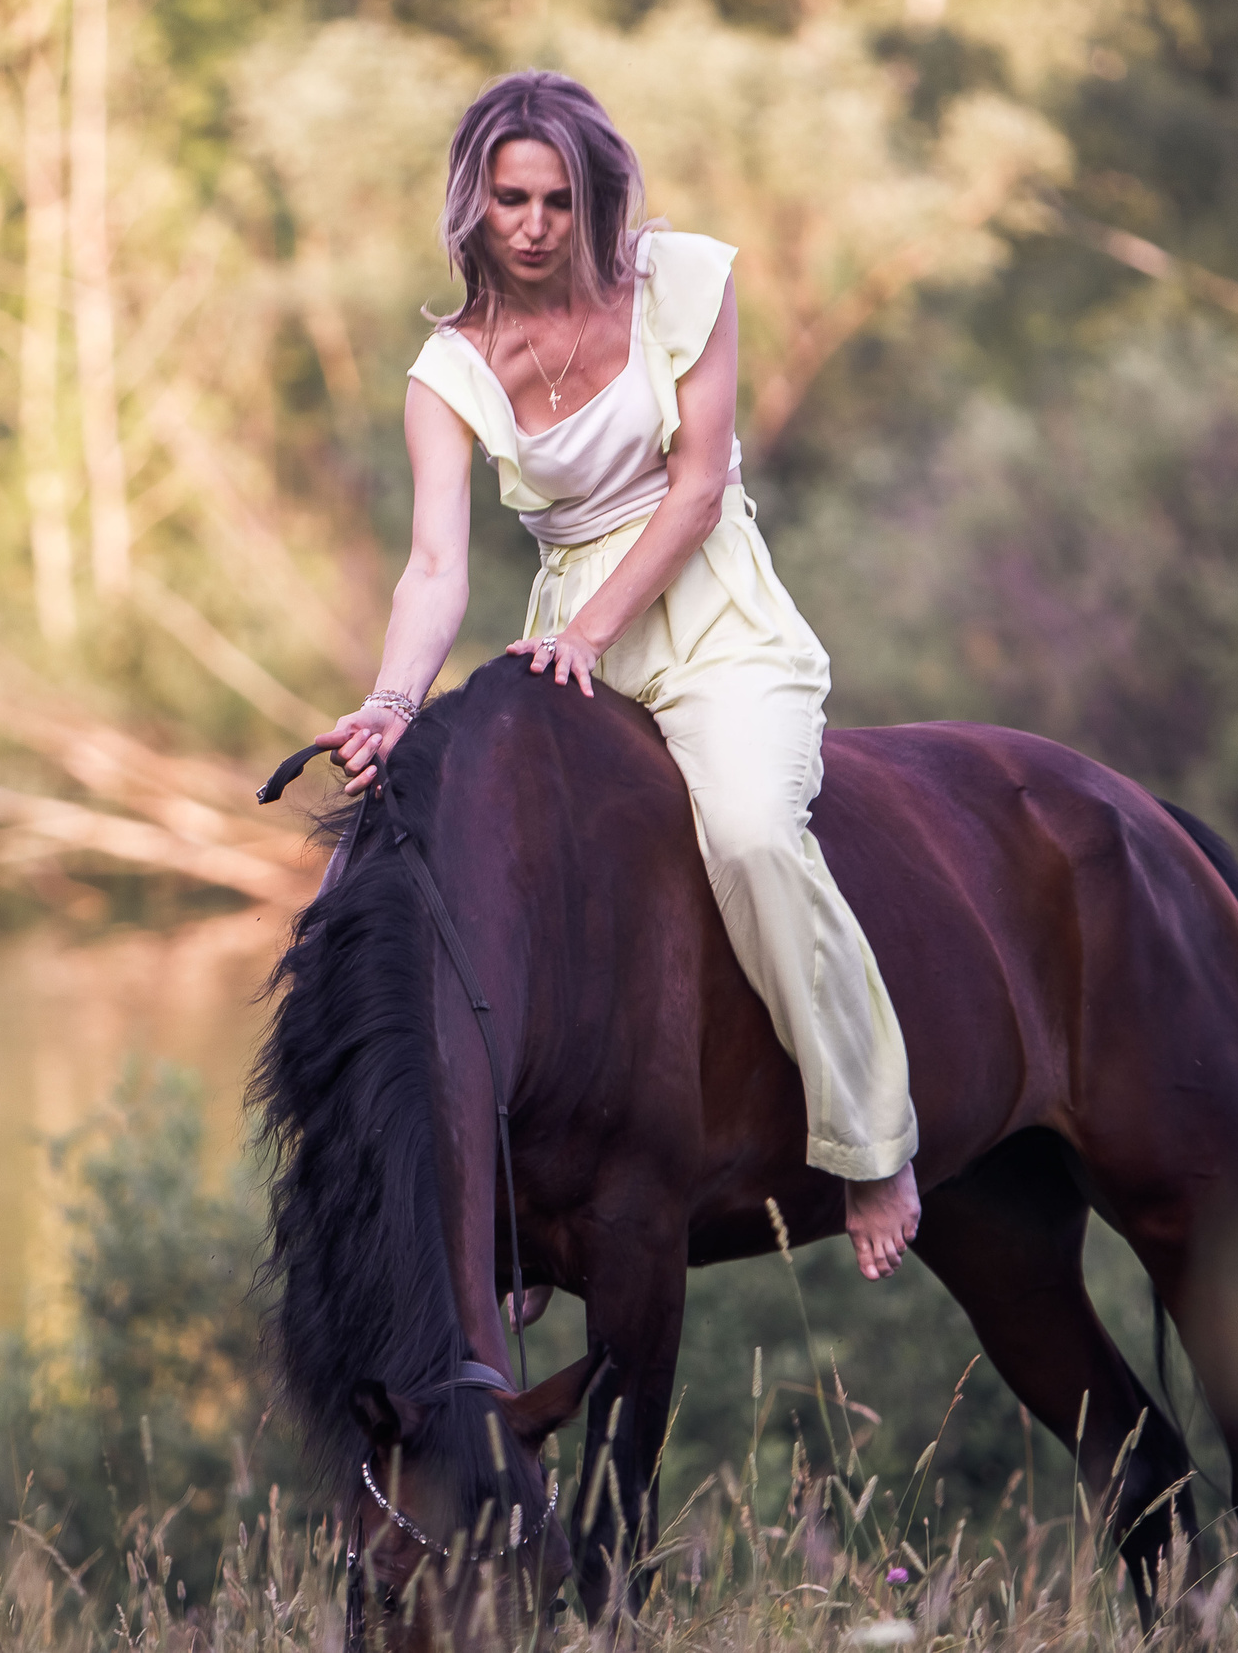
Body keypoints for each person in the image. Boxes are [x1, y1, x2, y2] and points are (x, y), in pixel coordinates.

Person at [313, 71, 922, 1281]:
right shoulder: (450, 370)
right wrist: (389, 702)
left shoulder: (685, 280)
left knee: (749, 832)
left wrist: (593, 630)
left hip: (706, 613)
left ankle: (871, 1139)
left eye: (555, 200)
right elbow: (434, 565)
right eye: (508, 201)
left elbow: (696, 490)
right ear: (472, 207)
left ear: (593, 200)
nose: (531, 226)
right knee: (444, 881)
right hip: (566, 638)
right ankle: (500, 1208)